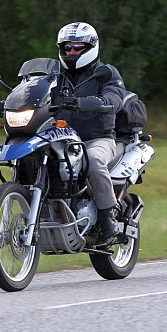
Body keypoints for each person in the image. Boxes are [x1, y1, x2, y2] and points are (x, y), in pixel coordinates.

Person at [54, 22, 127, 241]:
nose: (72, 52)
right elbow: (34, 90)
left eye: (78, 48)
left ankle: (107, 218)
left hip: (98, 138)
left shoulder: (105, 73)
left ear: (91, 47)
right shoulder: (55, 74)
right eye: (67, 48)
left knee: (93, 161)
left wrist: (102, 101)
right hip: (62, 137)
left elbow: (116, 95)